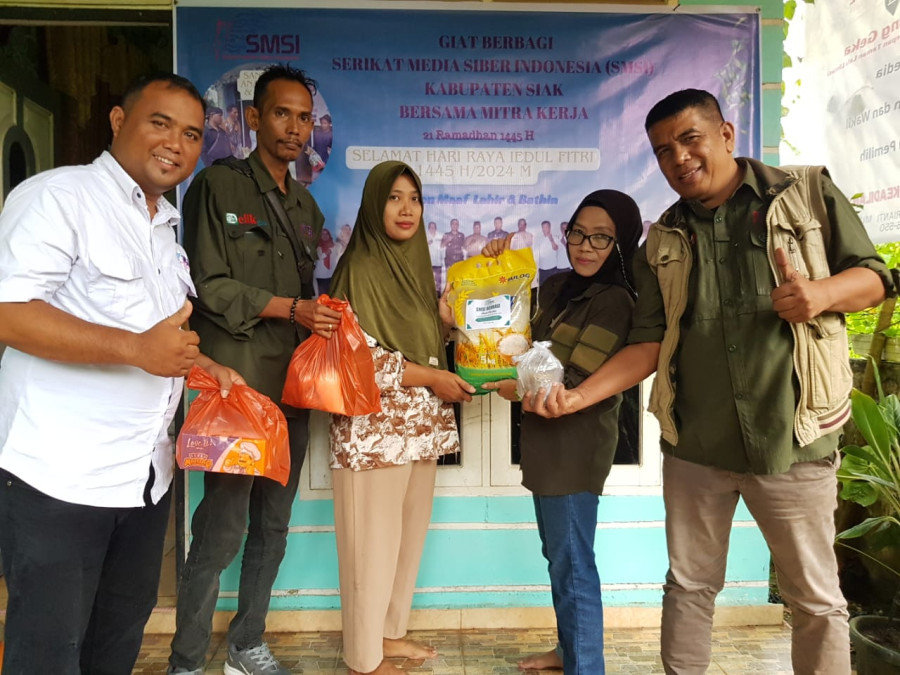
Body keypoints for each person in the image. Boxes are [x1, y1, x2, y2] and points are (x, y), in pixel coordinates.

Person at [525, 89, 891, 675]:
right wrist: (577, 395)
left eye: (690, 138)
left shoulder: (805, 195)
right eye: (663, 150)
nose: (679, 158)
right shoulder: (662, 239)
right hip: (695, 444)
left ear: (725, 133)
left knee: (816, 601)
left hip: (792, 439)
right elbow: (649, 343)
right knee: (689, 587)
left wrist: (820, 295)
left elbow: (873, 278)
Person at [0, 72, 243, 674]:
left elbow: (158, 334)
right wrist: (137, 350)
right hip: (59, 480)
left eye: (191, 133)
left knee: (116, 644)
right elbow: (9, 313)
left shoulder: (164, 229)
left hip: (142, 481)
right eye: (159, 123)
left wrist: (201, 364)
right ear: (118, 121)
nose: (175, 143)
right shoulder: (59, 198)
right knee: (48, 655)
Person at [168, 64, 342, 675]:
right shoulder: (219, 186)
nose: (294, 128)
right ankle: (187, 660)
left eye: (303, 117)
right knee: (221, 525)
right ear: (252, 118)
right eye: (280, 113)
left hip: (290, 387)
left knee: (274, 522)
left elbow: (308, 301)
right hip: (237, 384)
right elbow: (208, 285)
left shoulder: (306, 206)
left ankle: (247, 644)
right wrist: (291, 308)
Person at [483, 191, 642, 674]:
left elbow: (568, 381)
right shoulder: (557, 289)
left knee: (573, 565)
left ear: (621, 244)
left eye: (601, 237)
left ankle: (585, 666)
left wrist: (511, 383)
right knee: (560, 557)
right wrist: (498, 269)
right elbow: (510, 336)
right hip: (544, 441)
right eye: (578, 233)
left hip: (576, 445)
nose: (585, 246)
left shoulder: (615, 300)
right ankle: (569, 651)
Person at [329, 161, 475, 675]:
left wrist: (442, 322)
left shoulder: (414, 268)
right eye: (394, 197)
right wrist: (432, 378)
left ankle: (387, 635)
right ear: (374, 205)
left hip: (418, 429)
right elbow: (356, 358)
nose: (406, 208)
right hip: (373, 433)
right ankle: (361, 660)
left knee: (404, 539)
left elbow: (421, 342)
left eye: (414, 197)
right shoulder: (358, 270)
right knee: (370, 543)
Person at [315, 227, 342, 296]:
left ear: (329, 235)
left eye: (326, 234)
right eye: (322, 234)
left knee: (332, 295)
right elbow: (317, 258)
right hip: (320, 275)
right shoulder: (318, 247)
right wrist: (325, 254)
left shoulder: (335, 246)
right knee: (322, 297)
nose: (325, 236)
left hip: (332, 275)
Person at [535, 219, 559, 284]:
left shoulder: (555, 238)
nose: (544, 229)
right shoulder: (539, 239)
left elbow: (556, 248)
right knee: (542, 288)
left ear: (549, 228)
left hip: (552, 269)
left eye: (546, 227)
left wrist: (551, 240)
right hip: (542, 269)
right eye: (543, 227)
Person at [426, 220, 443, 291]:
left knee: (438, 279)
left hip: (438, 261)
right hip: (428, 262)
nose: (432, 228)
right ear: (428, 228)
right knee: (428, 279)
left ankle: (438, 293)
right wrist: (426, 243)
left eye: (433, 227)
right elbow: (419, 246)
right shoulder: (425, 236)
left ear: (435, 228)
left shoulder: (440, 235)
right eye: (431, 227)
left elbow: (445, 242)